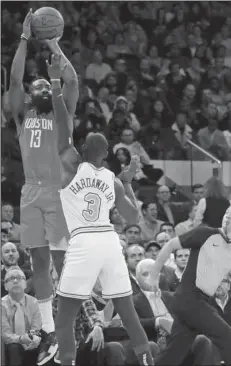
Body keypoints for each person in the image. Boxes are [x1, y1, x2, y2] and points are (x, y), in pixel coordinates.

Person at [46, 54, 154, 366]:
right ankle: (148, 362)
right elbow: (133, 218)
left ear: (82, 150)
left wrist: (55, 80)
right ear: (106, 154)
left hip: (83, 241)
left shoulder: (70, 165)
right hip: (110, 241)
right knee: (129, 314)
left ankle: (66, 363)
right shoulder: (112, 179)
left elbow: (62, 122)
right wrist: (129, 180)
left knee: (64, 317)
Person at [8, 10, 79, 365]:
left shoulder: (63, 114)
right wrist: (23, 40)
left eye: (43, 85)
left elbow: (72, 82)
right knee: (37, 259)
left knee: (64, 260)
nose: (37, 86)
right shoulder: (22, 115)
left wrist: (54, 45)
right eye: (34, 85)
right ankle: (49, 329)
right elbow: (15, 82)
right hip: (30, 192)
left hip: (58, 191)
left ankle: (69, 322)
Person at [149, 204, 231, 366]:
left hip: (196, 303)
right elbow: (170, 245)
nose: (228, 216)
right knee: (228, 338)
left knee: (174, 353)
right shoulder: (205, 233)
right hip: (189, 299)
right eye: (226, 212)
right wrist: (154, 276)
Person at [2, 267, 42, 366]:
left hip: (30, 341)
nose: (15, 281)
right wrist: (20, 339)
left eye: (19, 278)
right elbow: (5, 334)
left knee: (42, 344)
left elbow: (36, 327)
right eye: (11, 278)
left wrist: (35, 337)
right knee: (14, 347)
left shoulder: (33, 302)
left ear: (25, 284)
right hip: (9, 346)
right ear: (5, 286)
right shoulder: (1, 305)